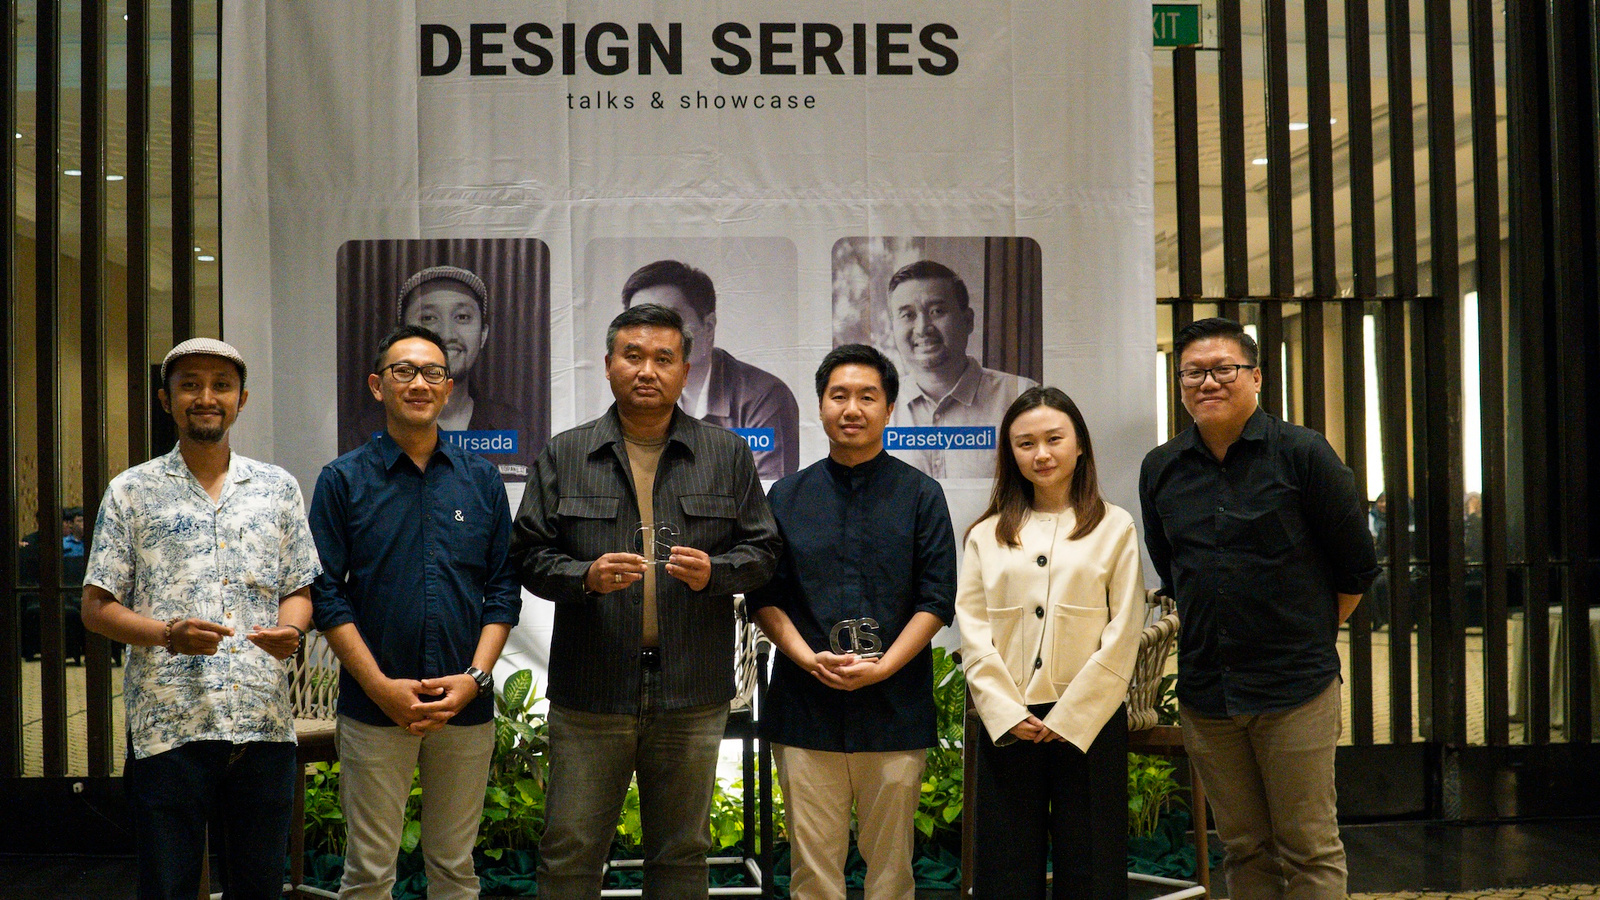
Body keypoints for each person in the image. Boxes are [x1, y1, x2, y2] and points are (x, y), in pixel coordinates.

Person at [510, 303, 782, 899]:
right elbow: (527, 557)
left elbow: (764, 553)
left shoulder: (726, 454)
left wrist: (716, 572)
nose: (647, 370)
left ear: (686, 369)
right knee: (570, 850)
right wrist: (585, 576)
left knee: (681, 853)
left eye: (664, 358)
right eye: (632, 356)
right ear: (608, 365)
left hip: (691, 688)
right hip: (592, 687)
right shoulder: (565, 454)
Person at [1139, 317, 1378, 900]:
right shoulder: (1162, 467)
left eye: (1224, 369)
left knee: (1309, 847)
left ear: (1256, 377)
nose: (1208, 382)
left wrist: (1306, 632)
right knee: (1244, 847)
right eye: (1192, 373)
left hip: (1295, 688)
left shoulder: (1302, 453)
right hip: (1208, 691)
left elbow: (1356, 567)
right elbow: (1173, 570)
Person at [80, 338, 322, 900]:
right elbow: (96, 607)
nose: (206, 397)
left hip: (262, 725)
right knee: (168, 888)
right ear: (166, 400)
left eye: (221, 386)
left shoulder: (277, 488)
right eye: (190, 385)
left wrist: (291, 629)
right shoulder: (131, 491)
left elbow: (299, 589)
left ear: (242, 400)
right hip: (169, 727)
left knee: (259, 889)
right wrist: (167, 635)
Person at [309, 324, 522, 900]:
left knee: (455, 867)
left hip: (464, 706)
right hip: (374, 707)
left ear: (449, 387)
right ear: (378, 386)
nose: (419, 383)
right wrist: (379, 686)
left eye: (432, 373)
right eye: (403, 371)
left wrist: (475, 680)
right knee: (368, 872)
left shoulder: (481, 479)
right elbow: (326, 594)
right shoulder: (343, 480)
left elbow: (503, 589)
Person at [747, 344, 957, 900]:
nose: (852, 409)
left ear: (888, 408)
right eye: (838, 396)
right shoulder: (785, 496)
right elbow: (765, 595)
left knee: (892, 871)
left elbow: (937, 599)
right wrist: (806, 658)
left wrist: (885, 666)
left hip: (895, 707)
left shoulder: (922, 495)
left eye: (868, 396)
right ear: (821, 406)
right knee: (813, 872)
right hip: (804, 706)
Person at [955, 386, 1144, 900]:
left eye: (1054, 439)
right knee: (1005, 868)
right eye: (1025, 443)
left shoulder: (1115, 526)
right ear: (1010, 454)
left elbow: (1125, 629)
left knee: (1092, 866)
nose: (1041, 454)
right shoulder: (986, 534)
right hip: (1010, 721)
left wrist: (1073, 715)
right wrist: (1004, 711)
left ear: (1079, 445)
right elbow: (973, 629)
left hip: (1089, 720)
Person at [621, 259, 801, 479]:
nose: (653, 336)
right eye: (641, 323)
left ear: (708, 327)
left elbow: (768, 492)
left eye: (670, 320)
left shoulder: (763, 398)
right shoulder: (636, 394)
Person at [884, 259, 1036, 478]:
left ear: (968, 321)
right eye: (908, 315)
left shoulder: (1021, 397)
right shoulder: (877, 407)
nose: (922, 328)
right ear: (894, 328)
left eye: (936, 311)